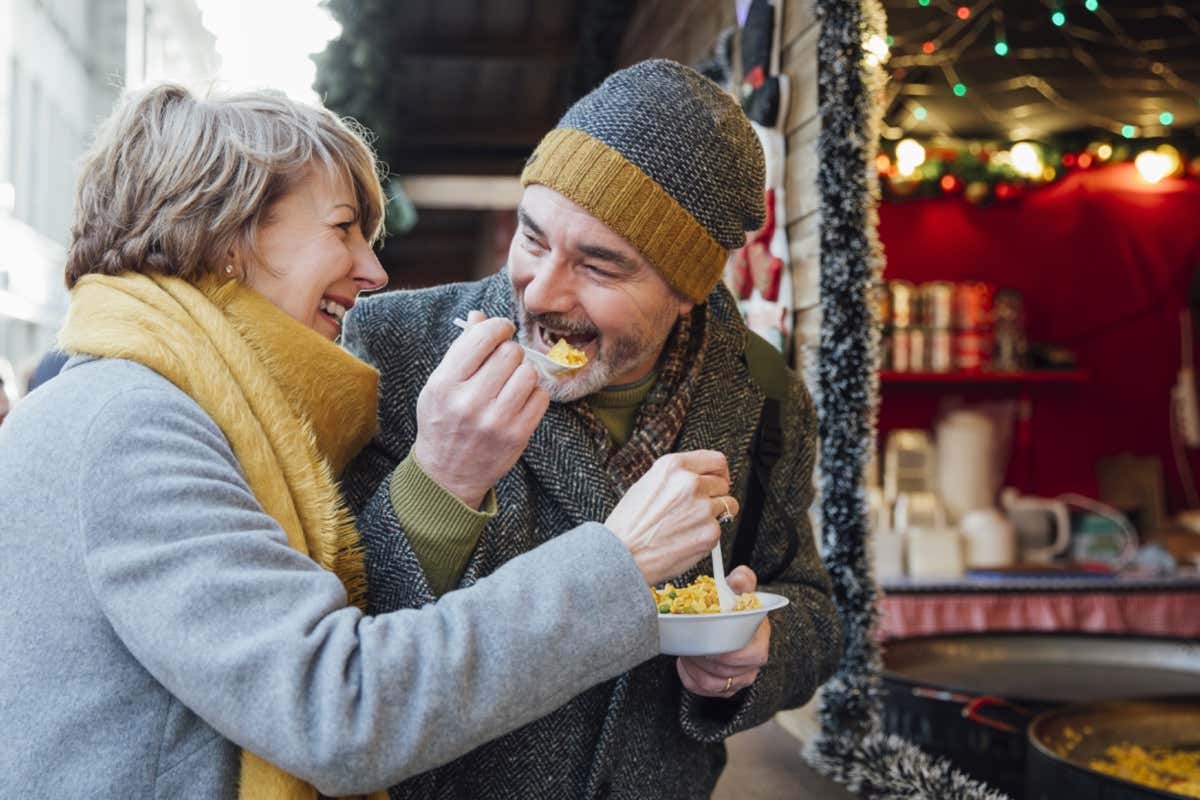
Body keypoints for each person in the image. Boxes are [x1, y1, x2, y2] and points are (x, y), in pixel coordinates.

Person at [0, 84, 741, 798]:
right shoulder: (134, 424)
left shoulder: (186, 405)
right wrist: (619, 564)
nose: (374, 270)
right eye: (343, 227)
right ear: (230, 235)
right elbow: (339, 709)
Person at [342, 59, 843, 799]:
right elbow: (330, 653)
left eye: (599, 267)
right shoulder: (394, 348)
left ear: (685, 292)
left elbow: (812, 606)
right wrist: (440, 478)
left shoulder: (766, 398)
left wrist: (756, 656)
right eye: (533, 238)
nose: (541, 292)